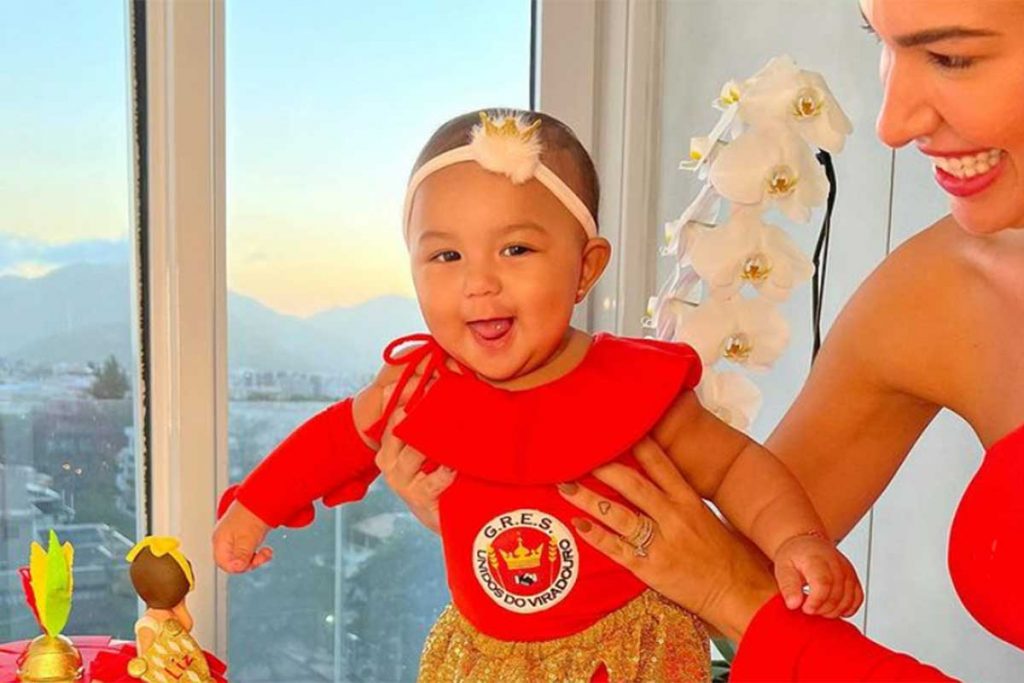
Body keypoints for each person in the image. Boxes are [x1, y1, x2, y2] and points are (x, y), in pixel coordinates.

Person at [384, 1, 1024, 679]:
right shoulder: (937, 292)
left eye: (952, 57)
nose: (891, 124)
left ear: (586, 266)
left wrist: (734, 597)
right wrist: (500, 508)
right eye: (884, 46)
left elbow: (728, 576)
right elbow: (718, 547)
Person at [212, 108, 862, 681]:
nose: (479, 283)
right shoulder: (416, 386)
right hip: (484, 662)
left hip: (627, 659)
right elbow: (332, 440)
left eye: (516, 248)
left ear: (585, 267)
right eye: (446, 257)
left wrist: (795, 539)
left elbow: (737, 467)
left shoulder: (634, 389)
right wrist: (254, 507)